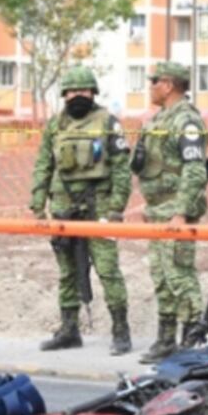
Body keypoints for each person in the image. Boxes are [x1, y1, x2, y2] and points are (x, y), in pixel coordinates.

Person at [29, 66, 133, 355]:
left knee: (108, 270)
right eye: (72, 91)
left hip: (99, 205)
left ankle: (121, 331)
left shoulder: (108, 123)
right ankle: (69, 330)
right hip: (63, 207)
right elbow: (43, 164)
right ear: (64, 94)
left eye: (83, 91)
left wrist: (116, 208)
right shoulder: (55, 125)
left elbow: (122, 169)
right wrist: (37, 202)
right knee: (67, 272)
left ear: (93, 92)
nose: (78, 96)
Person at [132, 61, 208, 363]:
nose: (149, 85)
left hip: (176, 211)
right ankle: (166, 339)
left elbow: (194, 170)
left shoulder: (186, 121)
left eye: (153, 80)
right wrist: (148, 205)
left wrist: (181, 212)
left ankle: (191, 341)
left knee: (179, 273)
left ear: (168, 85)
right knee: (161, 276)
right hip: (157, 210)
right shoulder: (160, 119)